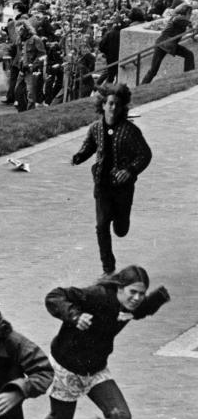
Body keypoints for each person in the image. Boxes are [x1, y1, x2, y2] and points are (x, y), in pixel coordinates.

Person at [34, 266, 170, 419]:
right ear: (119, 288)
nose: (136, 298)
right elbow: (54, 296)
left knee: (121, 418)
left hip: (96, 371)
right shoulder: (98, 295)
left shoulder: (130, 304)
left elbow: (141, 309)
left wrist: (159, 298)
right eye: (133, 292)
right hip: (67, 368)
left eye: (141, 294)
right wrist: (75, 316)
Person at [72, 83, 152, 277]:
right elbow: (89, 147)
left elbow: (145, 154)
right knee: (101, 226)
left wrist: (131, 170)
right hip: (102, 185)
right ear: (103, 105)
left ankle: (122, 221)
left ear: (122, 107)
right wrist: (78, 157)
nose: (113, 108)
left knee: (121, 230)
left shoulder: (130, 131)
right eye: (110, 103)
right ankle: (108, 269)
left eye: (117, 104)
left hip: (122, 188)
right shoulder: (95, 128)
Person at [141, 3, 195, 84]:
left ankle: (188, 77)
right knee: (153, 70)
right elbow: (178, 20)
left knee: (189, 54)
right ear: (185, 13)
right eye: (189, 13)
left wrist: (192, 31)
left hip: (169, 44)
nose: (190, 15)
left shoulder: (182, 20)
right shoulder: (178, 18)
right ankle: (188, 78)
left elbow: (189, 29)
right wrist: (190, 24)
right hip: (163, 44)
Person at [12, 20, 47, 111]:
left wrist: (33, 65)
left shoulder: (35, 39)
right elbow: (19, 54)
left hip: (31, 70)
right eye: (17, 30)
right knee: (17, 90)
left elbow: (42, 54)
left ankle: (30, 112)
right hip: (21, 69)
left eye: (20, 30)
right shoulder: (19, 39)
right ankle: (21, 111)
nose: (18, 32)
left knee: (31, 93)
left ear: (25, 29)